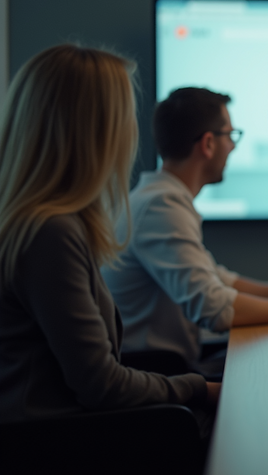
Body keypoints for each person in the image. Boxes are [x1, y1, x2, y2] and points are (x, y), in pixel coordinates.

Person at [0, 45, 218, 424]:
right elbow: (102, 386)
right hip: (66, 443)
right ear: (96, 130)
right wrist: (200, 388)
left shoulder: (46, 223)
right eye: (126, 115)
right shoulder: (50, 233)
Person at [102, 87, 268, 375]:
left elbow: (220, 280)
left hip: (167, 366)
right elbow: (214, 308)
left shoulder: (157, 197)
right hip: (159, 377)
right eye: (231, 136)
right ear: (208, 143)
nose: (234, 147)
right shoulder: (162, 206)